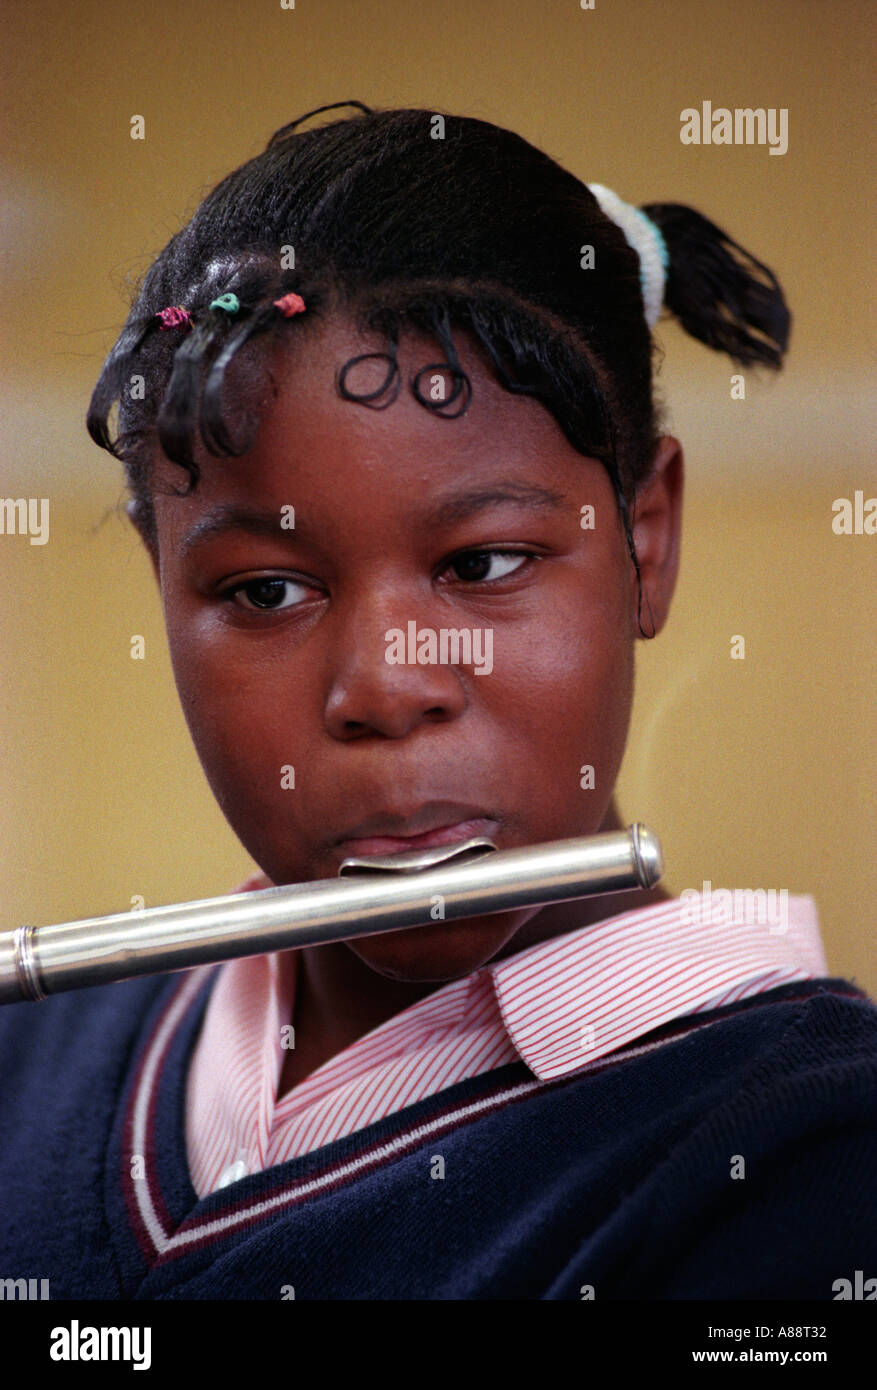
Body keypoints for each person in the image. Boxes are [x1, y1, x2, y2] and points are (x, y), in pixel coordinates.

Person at [1, 102, 874, 1300]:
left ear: (647, 539)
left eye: (483, 565)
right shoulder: (26, 1058)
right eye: (264, 587)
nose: (385, 686)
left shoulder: (808, 1155)